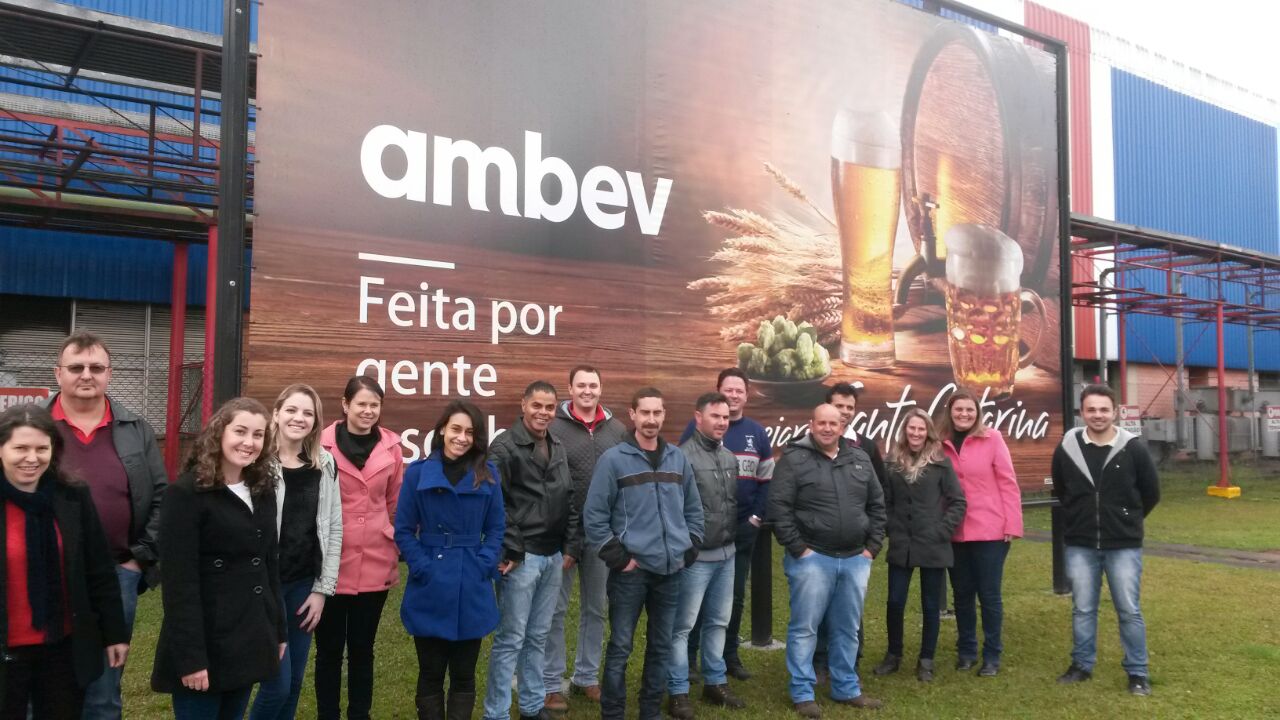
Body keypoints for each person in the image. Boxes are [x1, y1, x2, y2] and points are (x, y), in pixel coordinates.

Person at [43, 331, 166, 720]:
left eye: (96, 368)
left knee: (103, 689)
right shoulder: (30, 426)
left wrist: (138, 558)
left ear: (109, 374)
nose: (86, 375)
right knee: (39, 681)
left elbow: (163, 497)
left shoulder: (135, 429)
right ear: (58, 373)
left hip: (115, 574)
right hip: (42, 571)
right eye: (76, 367)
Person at [151, 398, 286, 719]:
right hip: (206, 643)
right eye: (240, 431)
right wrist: (191, 658)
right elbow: (179, 584)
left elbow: (268, 567)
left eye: (258, 435)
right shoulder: (185, 495)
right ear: (219, 433)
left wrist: (277, 630)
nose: (249, 442)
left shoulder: (262, 489)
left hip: (248, 638)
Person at [0, 404, 128, 719]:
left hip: (61, 647)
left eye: (41, 448)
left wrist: (114, 633)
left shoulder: (72, 496)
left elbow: (98, 569)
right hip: (6, 648)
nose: (31, 458)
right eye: (20, 448)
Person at [585, 387, 704, 720]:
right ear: (633, 415)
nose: (651, 420)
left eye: (657, 413)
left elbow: (694, 508)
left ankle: (650, 711)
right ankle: (613, 713)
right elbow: (594, 515)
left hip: (670, 571)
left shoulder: (677, 458)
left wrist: (691, 546)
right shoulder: (614, 460)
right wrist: (620, 558)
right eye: (645, 413)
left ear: (664, 415)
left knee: (661, 646)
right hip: (631, 573)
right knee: (621, 646)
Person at [769, 404, 885, 717]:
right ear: (812, 424)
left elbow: (877, 504)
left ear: (842, 426)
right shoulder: (794, 459)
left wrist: (872, 548)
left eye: (833, 423)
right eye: (821, 423)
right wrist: (799, 549)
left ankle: (846, 688)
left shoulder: (859, 458)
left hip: (855, 559)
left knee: (848, 629)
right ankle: (802, 692)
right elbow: (779, 507)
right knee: (805, 628)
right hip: (812, 558)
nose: (827, 428)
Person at [395, 401, 504, 720]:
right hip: (430, 582)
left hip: (471, 580)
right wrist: (421, 565)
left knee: (464, 673)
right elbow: (403, 530)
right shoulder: (417, 474)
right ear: (442, 429)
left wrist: (484, 563)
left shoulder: (488, 474)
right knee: (430, 671)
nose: (462, 437)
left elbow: (496, 528)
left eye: (470, 432)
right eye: (456, 429)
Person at [1052, 384, 1160, 696]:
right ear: (1081, 412)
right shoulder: (1068, 447)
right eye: (1091, 409)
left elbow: (1151, 493)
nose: (1097, 415)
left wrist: (1126, 519)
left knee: (1128, 609)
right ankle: (1081, 665)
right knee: (1083, 608)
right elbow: (1060, 488)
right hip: (1081, 543)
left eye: (1103, 409)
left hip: (1123, 544)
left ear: (1114, 412)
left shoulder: (1133, 448)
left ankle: (1138, 672)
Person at [483, 381, 579, 720]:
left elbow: (569, 498)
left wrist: (569, 545)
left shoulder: (558, 445)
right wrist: (512, 549)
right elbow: (497, 505)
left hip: (553, 556)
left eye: (550, 407)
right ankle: (496, 713)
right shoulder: (504, 447)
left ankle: (532, 706)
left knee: (538, 636)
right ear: (523, 405)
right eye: (537, 405)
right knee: (511, 639)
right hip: (521, 559)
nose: (543, 413)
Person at [249, 385, 344, 720]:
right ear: (276, 413)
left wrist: (322, 589)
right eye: (291, 410)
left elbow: (333, 529)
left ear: (316, 421)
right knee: (276, 684)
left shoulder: (325, 463)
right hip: (264, 586)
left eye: (307, 413)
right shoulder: (256, 462)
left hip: (303, 586)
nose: (298, 418)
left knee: (294, 683)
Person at [315, 376, 404, 720]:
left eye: (375, 405)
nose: (368, 411)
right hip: (330, 562)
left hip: (375, 561)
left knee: (363, 649)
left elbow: (395, 501)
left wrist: (390, 534)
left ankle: (359, 714)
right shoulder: (319, 445)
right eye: (362, 404)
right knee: (328, 651)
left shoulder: (391, 448)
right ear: (345, 404)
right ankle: (328, 714)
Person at [678, 368, 772, 681]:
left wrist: (756, 517)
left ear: (746, 395)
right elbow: (684, 478)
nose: (733, 396)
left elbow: (766, 479)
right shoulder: (698, 429)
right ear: (718, 392)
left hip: (740, 530)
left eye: (739, 390)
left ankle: (728, 657)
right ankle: (689, 661)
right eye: (727, 390)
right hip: (702, 537)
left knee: (732, 598)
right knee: (694, 602)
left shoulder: (756, 433)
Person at [544, 365, 628, 707]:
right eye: (581, 385)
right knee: (555, 609)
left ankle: (586, 676)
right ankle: (551, 681)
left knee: (596, 607)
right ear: (570, 389)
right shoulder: (553, 427)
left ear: (601, 388)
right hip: (562, 532)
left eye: (593, 385)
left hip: (601, 533)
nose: (587, 391)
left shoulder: (618, 429)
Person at [871, 408, 966, 683]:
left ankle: (926, 659)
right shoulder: (892, 463)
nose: (915, 433)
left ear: (928, 432)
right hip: (902, 543)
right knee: (895, 601)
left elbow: (957, 501)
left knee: (930, 604)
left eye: (921, 429)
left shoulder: (940, 462)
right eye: (911, 428)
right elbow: (885, 500)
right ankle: (894, 654)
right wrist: (890, 526)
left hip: (932, 543)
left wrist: (943, 529)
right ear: (905, 431)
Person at [667, 392, 746, 719]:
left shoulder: (729, 457)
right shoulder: (681, 457)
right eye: (715, 416)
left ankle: (715, 682)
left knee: (718, 622)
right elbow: (675, 511)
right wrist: (689, 548)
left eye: (726, 417)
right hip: (696, 558)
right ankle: (677, 690)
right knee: (682, 627)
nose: (722, 422)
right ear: (698, 418)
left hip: (726, 555)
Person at [938, 389, 1021, 677]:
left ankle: (992, 655)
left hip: (990, 531)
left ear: (977, 413)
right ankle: (966, 651)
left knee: (989, 595)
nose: (964, 414)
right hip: (955, 532)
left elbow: (1008, 482)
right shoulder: (940, 443)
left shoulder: (993, 438)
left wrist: (1013, 523)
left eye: (969, 410)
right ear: (950, 412)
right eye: (958, 409)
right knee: (961, 595)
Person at [813, 382, 884, 680]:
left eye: (849, 407)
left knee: (850, 607)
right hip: (818, 546)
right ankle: (819, 661)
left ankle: (851, 661)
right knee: (818, 606)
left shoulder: (866, 447)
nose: (843, 412)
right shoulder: (809, 444)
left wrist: (871, 544)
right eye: (838, 406)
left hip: (856, 547)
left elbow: (880, 496)